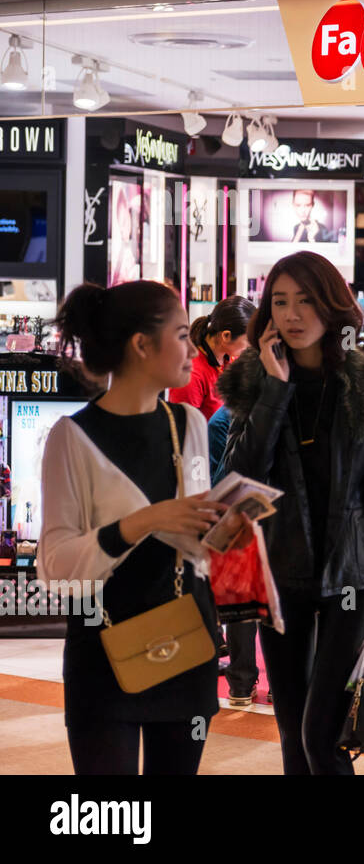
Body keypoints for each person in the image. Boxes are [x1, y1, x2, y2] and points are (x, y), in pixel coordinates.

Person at [219, 251, 364, 775]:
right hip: (279, 579)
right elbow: (238, 479)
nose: (292, 314)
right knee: (290, 730)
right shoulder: (252, 383)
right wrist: (274, 391)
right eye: (280, 302)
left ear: (332, 306)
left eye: (306, 301)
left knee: (320, 734)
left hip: (354, 579)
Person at [40, 281, 229, 774]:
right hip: (102, 650)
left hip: (186, 642)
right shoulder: (71, 437)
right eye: (183, 335)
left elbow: (195, 546)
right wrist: (143, 521)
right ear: (142, 345)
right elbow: (56, 566)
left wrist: (226, 528)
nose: (192, 348)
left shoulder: (189, 423)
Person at [168, 295, 260, 706]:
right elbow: (183, 441)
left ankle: (234, 673)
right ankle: (228, 674)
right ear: (225, 337)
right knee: (218, 582)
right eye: (246, 342)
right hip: (202, 487)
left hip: (219, 483)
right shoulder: (194, 378)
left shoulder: (225, 367)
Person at [169, 296, 254, 420]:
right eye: (248, 340)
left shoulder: (230, 359)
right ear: (226, 336)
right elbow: (184, 429)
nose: (251, 346)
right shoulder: (192, 375)